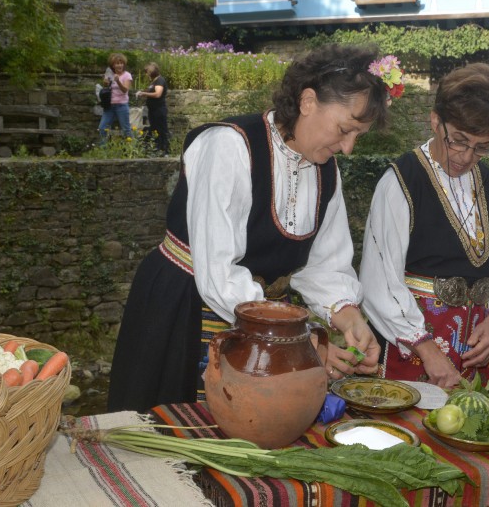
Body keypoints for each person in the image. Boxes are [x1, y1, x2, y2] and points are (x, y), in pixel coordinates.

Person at [108, 44, 399, 412]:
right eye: (345, 129)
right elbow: (217, 273)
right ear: (308, 101)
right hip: (183, 309)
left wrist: (348, 317)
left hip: (266, 322)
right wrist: (294, 337)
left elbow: (324, 265)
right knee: (178, 436)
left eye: (359, 135)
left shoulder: (325, 171)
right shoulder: (229, 146)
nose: (349, 148)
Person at [359, 63, 489, 389]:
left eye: (482, 146)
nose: (467, 156)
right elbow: (379, 279)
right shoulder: (402, 181)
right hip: (413, 355)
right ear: (435, 121)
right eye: (458, 140)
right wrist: (425, 348)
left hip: (475, 354)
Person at [98, 52, 133, 141]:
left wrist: (118, 81)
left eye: (121, 63)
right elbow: (107, 88)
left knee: (126, 130)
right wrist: (105, 83)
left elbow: (125, 90)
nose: (119, 65)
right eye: (117, 63)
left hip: (122, 105)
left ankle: (132, 151)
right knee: (102, 128)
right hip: (110, 106)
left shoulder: (127, 75)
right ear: (113, 65)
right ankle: (103, 151)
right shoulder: (110, 75)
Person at [137, 62, 169, 155]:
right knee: (154, 129)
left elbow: (158, 94)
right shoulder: (154, 81)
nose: (146, 74)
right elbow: (151, 91)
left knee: (161, 130)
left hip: (159, 110)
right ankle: (157, 148)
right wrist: (143, 92)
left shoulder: (160, 80)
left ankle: (165, 150)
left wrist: (144, 94)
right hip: (152, 110)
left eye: (147, 72)